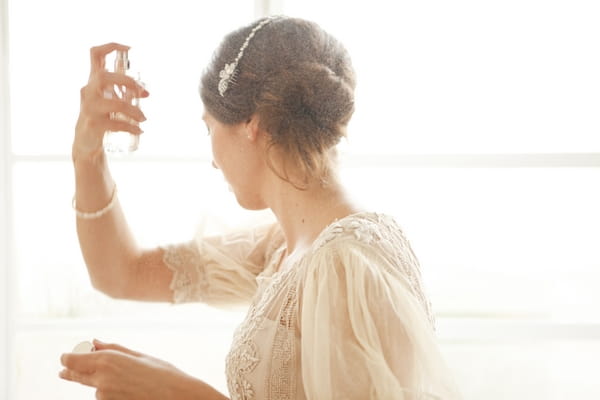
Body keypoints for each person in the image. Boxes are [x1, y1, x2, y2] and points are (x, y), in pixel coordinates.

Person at [59, 15, 462, 400]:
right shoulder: (287, 247)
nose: (213, 159)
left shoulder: (343, 263)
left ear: (251, 123)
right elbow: (121, 273)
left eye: (209, 127)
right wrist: (86, 152)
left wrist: (177, 393)